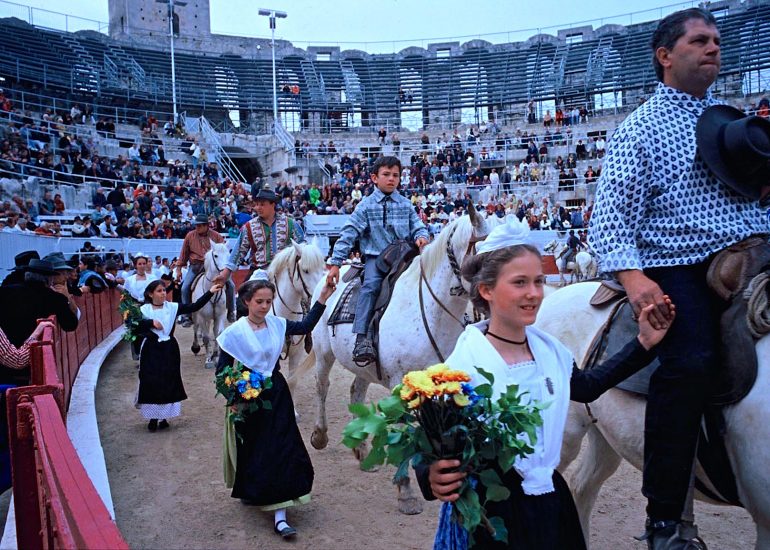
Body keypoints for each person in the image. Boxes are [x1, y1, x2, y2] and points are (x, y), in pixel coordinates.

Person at [588, 8, 770, 548]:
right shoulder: (639, 129)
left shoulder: (731, 120)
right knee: (688, 364)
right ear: (666, 56)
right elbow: (610, 218)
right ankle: (666, 521)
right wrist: (635, 279)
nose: (713, 47)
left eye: (716, 40)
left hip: (756, 251)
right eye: (698, 41)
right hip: (680, 265)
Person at [418, 218, 675, 549]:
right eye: (520, 283)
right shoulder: (463, 365)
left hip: (551, 503)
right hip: (491, 516)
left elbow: (586, 387)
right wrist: (429, 475)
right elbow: (432, 441)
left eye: (539, 281)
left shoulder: (550, 350)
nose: (534, 294)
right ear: (486, 290)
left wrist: (643, 344)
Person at [215, 271, 336, 540]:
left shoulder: (278, 324)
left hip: (277, 394)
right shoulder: (233, 334)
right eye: (259, 301)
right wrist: (234, 400)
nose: (265, 306)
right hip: (249, 399)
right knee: (254, 448)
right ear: (247, 301)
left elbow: (305, 326)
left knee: (282, 447)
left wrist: (324, 297)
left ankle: (280, 516)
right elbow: (222, 374)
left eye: (268, 301)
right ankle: (252, 490)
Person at [325, 156, 430, 364]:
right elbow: (349, 233)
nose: (391, 179)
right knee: (371, 287)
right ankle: (361, 338)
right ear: (374, 178)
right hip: (376, 258)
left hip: (405, 256)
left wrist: (422, 236)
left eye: (395, 175)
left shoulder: (405, 204)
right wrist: (336, 263)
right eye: (386, 175)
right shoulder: (365, 206)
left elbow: (417, 224)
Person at [135, 280, 223, 432]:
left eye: (164, 290)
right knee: (151, 380)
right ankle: (152, 417)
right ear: (150, 294)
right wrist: (150, 322)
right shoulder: (143, 310)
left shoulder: (172, 307)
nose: (163, 293)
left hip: (169, 348)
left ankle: (163, 417)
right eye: (159, 291)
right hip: (151, 348)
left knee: (168, 379)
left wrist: (210, 292)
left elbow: (194, 306)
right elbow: (134, 326)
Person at [0, 259, 79, 385]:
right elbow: (71, 325)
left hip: (3, 362)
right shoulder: (55, 298)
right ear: (49, 279)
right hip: (31, 365)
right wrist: (67, 298)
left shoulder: (4, 292)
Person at [216, 185, 305, 286]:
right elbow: (239, 251)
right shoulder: (249, 226)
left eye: (262, 204)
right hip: (258, 271)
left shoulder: (291, 224)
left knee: (304, 295)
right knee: (242, 298)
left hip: (285, 271)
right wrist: (225, 274)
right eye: (256, 204)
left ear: (273, 204)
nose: (258, 208)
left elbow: (302, 248)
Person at [177, 214, 235, 325]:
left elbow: (223, 253)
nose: (197, 228)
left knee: (231, 285)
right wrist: (179, 269)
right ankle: (186, 316)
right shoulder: (190, 236)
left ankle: (231, 311)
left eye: (199, 226)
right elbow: (184, 254)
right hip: (196, 266)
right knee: (185, 288)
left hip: (214, 268)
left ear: (206, 226)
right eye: (196, 226)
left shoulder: (217, 236)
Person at [123, 253, 159, 360]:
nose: (142, 266)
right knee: (137, 331)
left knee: (151, 329)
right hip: (135, 308)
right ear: (135, 265)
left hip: (149, 306)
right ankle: (138, 353)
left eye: (144, 263)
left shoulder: (152, 278)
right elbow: (126, 295)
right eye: (140, 264)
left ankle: (152, 352)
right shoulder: (130, 280)